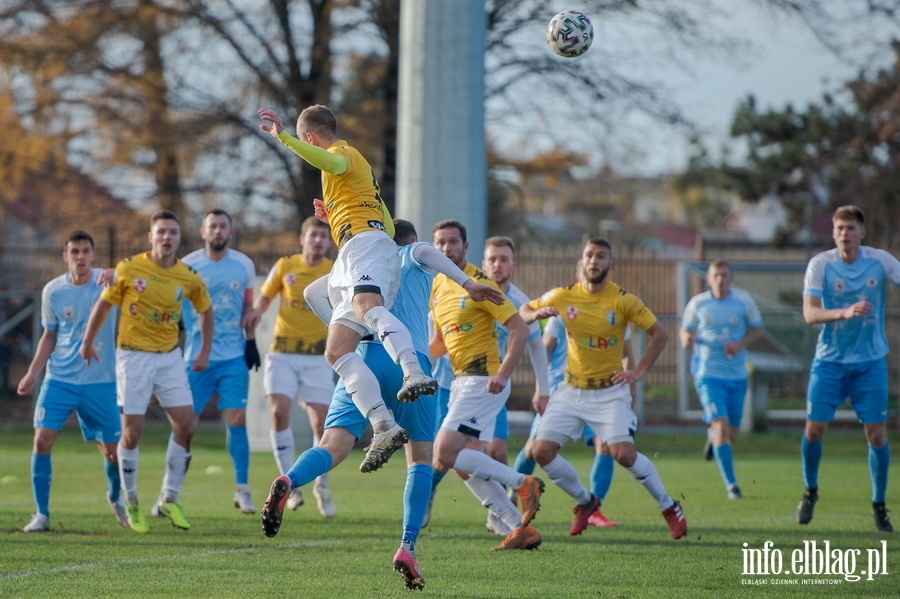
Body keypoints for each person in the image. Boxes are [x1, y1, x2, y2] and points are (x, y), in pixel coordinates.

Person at [259, 219, 504, 590]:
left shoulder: (358, 268)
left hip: (361, 362)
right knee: (420, 460)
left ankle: (288, 480)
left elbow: (311, 292)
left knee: (333, 446)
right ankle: (407, 545)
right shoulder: (414, 253)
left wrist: (342, 328)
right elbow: (426, 252)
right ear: (411, 239)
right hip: (409, 364)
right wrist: (469, 283)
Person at [259, 105, 438, 475]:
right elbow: (387, 222)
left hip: (364, 248)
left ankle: (413, 371)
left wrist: (284, 139)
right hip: (361, 249)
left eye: (305, 141)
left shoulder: (342, 155)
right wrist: (337, 213)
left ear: (311, 137)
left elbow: (333, 164)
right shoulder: (355, 175)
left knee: (368, 308)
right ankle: (383, 425)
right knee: (337, 350)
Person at [521, 238, 687, 540]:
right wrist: (534, 315)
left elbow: (659, 333)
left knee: (622, 453)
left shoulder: (623, 300)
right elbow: (523, 310)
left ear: (611, 265)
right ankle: (586, 502)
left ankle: (668, 506)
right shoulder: (562, 296)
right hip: (571, 390)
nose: (594, 261)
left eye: (601, 256)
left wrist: (639, 372)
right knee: (540, 451)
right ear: (581, 263)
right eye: (589, 255)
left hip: (609, 391)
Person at [80, 210, 213, 534]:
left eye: (172, 232)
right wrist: (88, 342)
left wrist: (204, 350)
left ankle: (169, 497)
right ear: (151, 237)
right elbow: (103, 304)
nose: (167, 237)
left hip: (170, 358)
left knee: (185, 426)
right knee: (132, 433)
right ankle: (133, 501)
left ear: (180, 238)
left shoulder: (189, 276)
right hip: (133, 358)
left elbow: (205, 310)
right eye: (161, 232)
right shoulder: (129, 268)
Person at [429, 219, 545, 551]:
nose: (447, 249)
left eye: (453, 242)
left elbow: (520, 329)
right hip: (461, 381)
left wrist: (504, 374)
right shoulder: (437, 286)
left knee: (444, 452)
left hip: (484, 381)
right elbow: (439, 342)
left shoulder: (479, 282)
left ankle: (523, 482)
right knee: (464, 465)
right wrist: (411, 357)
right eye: (441, 243)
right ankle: (517, 528)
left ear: (466, 247)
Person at [17, 230, 127, 532]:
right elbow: (49, 335)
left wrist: (117, 272)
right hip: (60, 380)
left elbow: (134, 277)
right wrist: (32, 373)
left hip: (100, 380)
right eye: (74, 252)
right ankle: (41, 514)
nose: (80, 257)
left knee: (113, 452)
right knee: (41, 440)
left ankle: (115, 497)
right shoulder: (52, 291)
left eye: (85, 251)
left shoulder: (108, 284)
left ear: (93, 254)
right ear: (65, 256)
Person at [797, 205, 898, 533]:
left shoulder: (880, 261)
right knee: (814, 429)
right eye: (839, 228)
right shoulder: (820, 265)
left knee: (877, 434)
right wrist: (843, 312)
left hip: (869, 362)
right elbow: (810, 314)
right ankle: (810, 491)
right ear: (833, 232)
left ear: (862, 233)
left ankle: (879, 505)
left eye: (850, 228)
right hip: (829, 361)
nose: (844, 233)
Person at [249, 216, 337, 517]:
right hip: (283, 353)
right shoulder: (285, 266)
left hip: (317, 356)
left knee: (322, 425)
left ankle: (321, 486)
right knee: (278, 412)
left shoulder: (334, 271)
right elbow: (264, 298)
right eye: (313, 235)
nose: (317, 241)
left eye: (323, 237)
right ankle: (290, 486)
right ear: (302, 239)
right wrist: (255, 314)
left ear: (328, 243)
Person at [181, 209, 259, 514]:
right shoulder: (188, 265)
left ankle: (242, 489)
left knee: (237, 419)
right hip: (196, 358)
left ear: (230, 231)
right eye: (212, 226)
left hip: (232, 357)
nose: (217, 231)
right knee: (185, 427)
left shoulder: (243, 265)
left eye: (222, 226)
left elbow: (248, 308)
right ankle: (170, 490)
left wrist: (251, 342)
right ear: (203, 231)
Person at [479, 236, 550, 536]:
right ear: (484, 264)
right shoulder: (469, 290)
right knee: (446, 458)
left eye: (503, 259)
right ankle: (428, 495)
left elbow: (536, 347)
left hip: (495, 386)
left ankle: (500, 510)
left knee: (496, 452)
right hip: (453, 381)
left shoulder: (522, 304)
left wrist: (542, 388)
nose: (497, 265)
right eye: (492, 259)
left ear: (513, 265)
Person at [680, 259, 762, 500]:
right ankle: (732, 486)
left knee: (731, 434)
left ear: (731, 278)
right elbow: (685, 328)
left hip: (736, 375)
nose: (720, 279)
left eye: (724, 275)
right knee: (722, 427)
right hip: (708, 374)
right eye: (716, 275)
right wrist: (686, 338)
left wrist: (740, 344)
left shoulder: (743, 301)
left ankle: (711, 438)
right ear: (708, 279)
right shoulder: (698, 303)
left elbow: (757, 328)